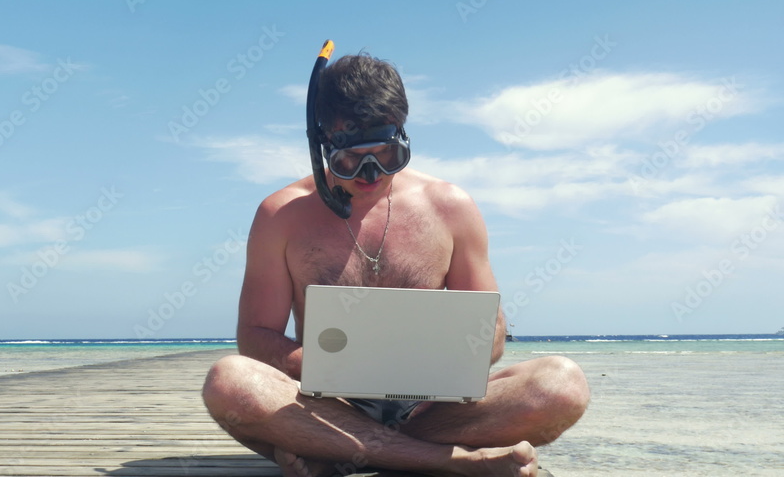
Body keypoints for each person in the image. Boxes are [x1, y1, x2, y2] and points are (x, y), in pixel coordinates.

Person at [202, 52, 589, 477]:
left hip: (430, 409)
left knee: (562, 385)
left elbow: (491, 337)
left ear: (403, 137)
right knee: (229, 382)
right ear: (321, 146)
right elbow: (256, 338)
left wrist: (463, 351)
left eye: (386, 154)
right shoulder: (281, 215)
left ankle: (336, 450)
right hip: (328, 401)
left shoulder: (449, 206)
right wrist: (339, 370)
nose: (370, 174)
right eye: (350, 158)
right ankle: (453, 462)